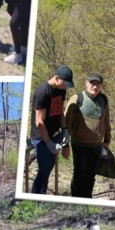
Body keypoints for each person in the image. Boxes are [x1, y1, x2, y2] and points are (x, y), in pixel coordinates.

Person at [65, 73, 112, 199]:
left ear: (101, 85)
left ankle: (87, 199)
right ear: (87, 83)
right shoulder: (77, 98)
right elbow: (66, 123)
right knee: (79, 174)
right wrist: (65, 145)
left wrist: (107, 141)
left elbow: (106, 121)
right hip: (79, 145)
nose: (95, 86)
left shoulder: (104, 100)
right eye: (92, 83)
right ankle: (75, 199)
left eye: (98, 84)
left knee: (90, 176)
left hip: (96, 146)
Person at [30, 65, 74, 194]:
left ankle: (41, 195)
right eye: (64, 83)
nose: (65, 86)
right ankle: (36, 196)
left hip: (55, 133)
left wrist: (64, 130)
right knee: (43, 169)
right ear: (56, 78)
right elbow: (39, 122)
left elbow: (59, 111)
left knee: (49, 167)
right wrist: (49, 143)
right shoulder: (42, 93)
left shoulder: (61, 90)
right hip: (41, 136)